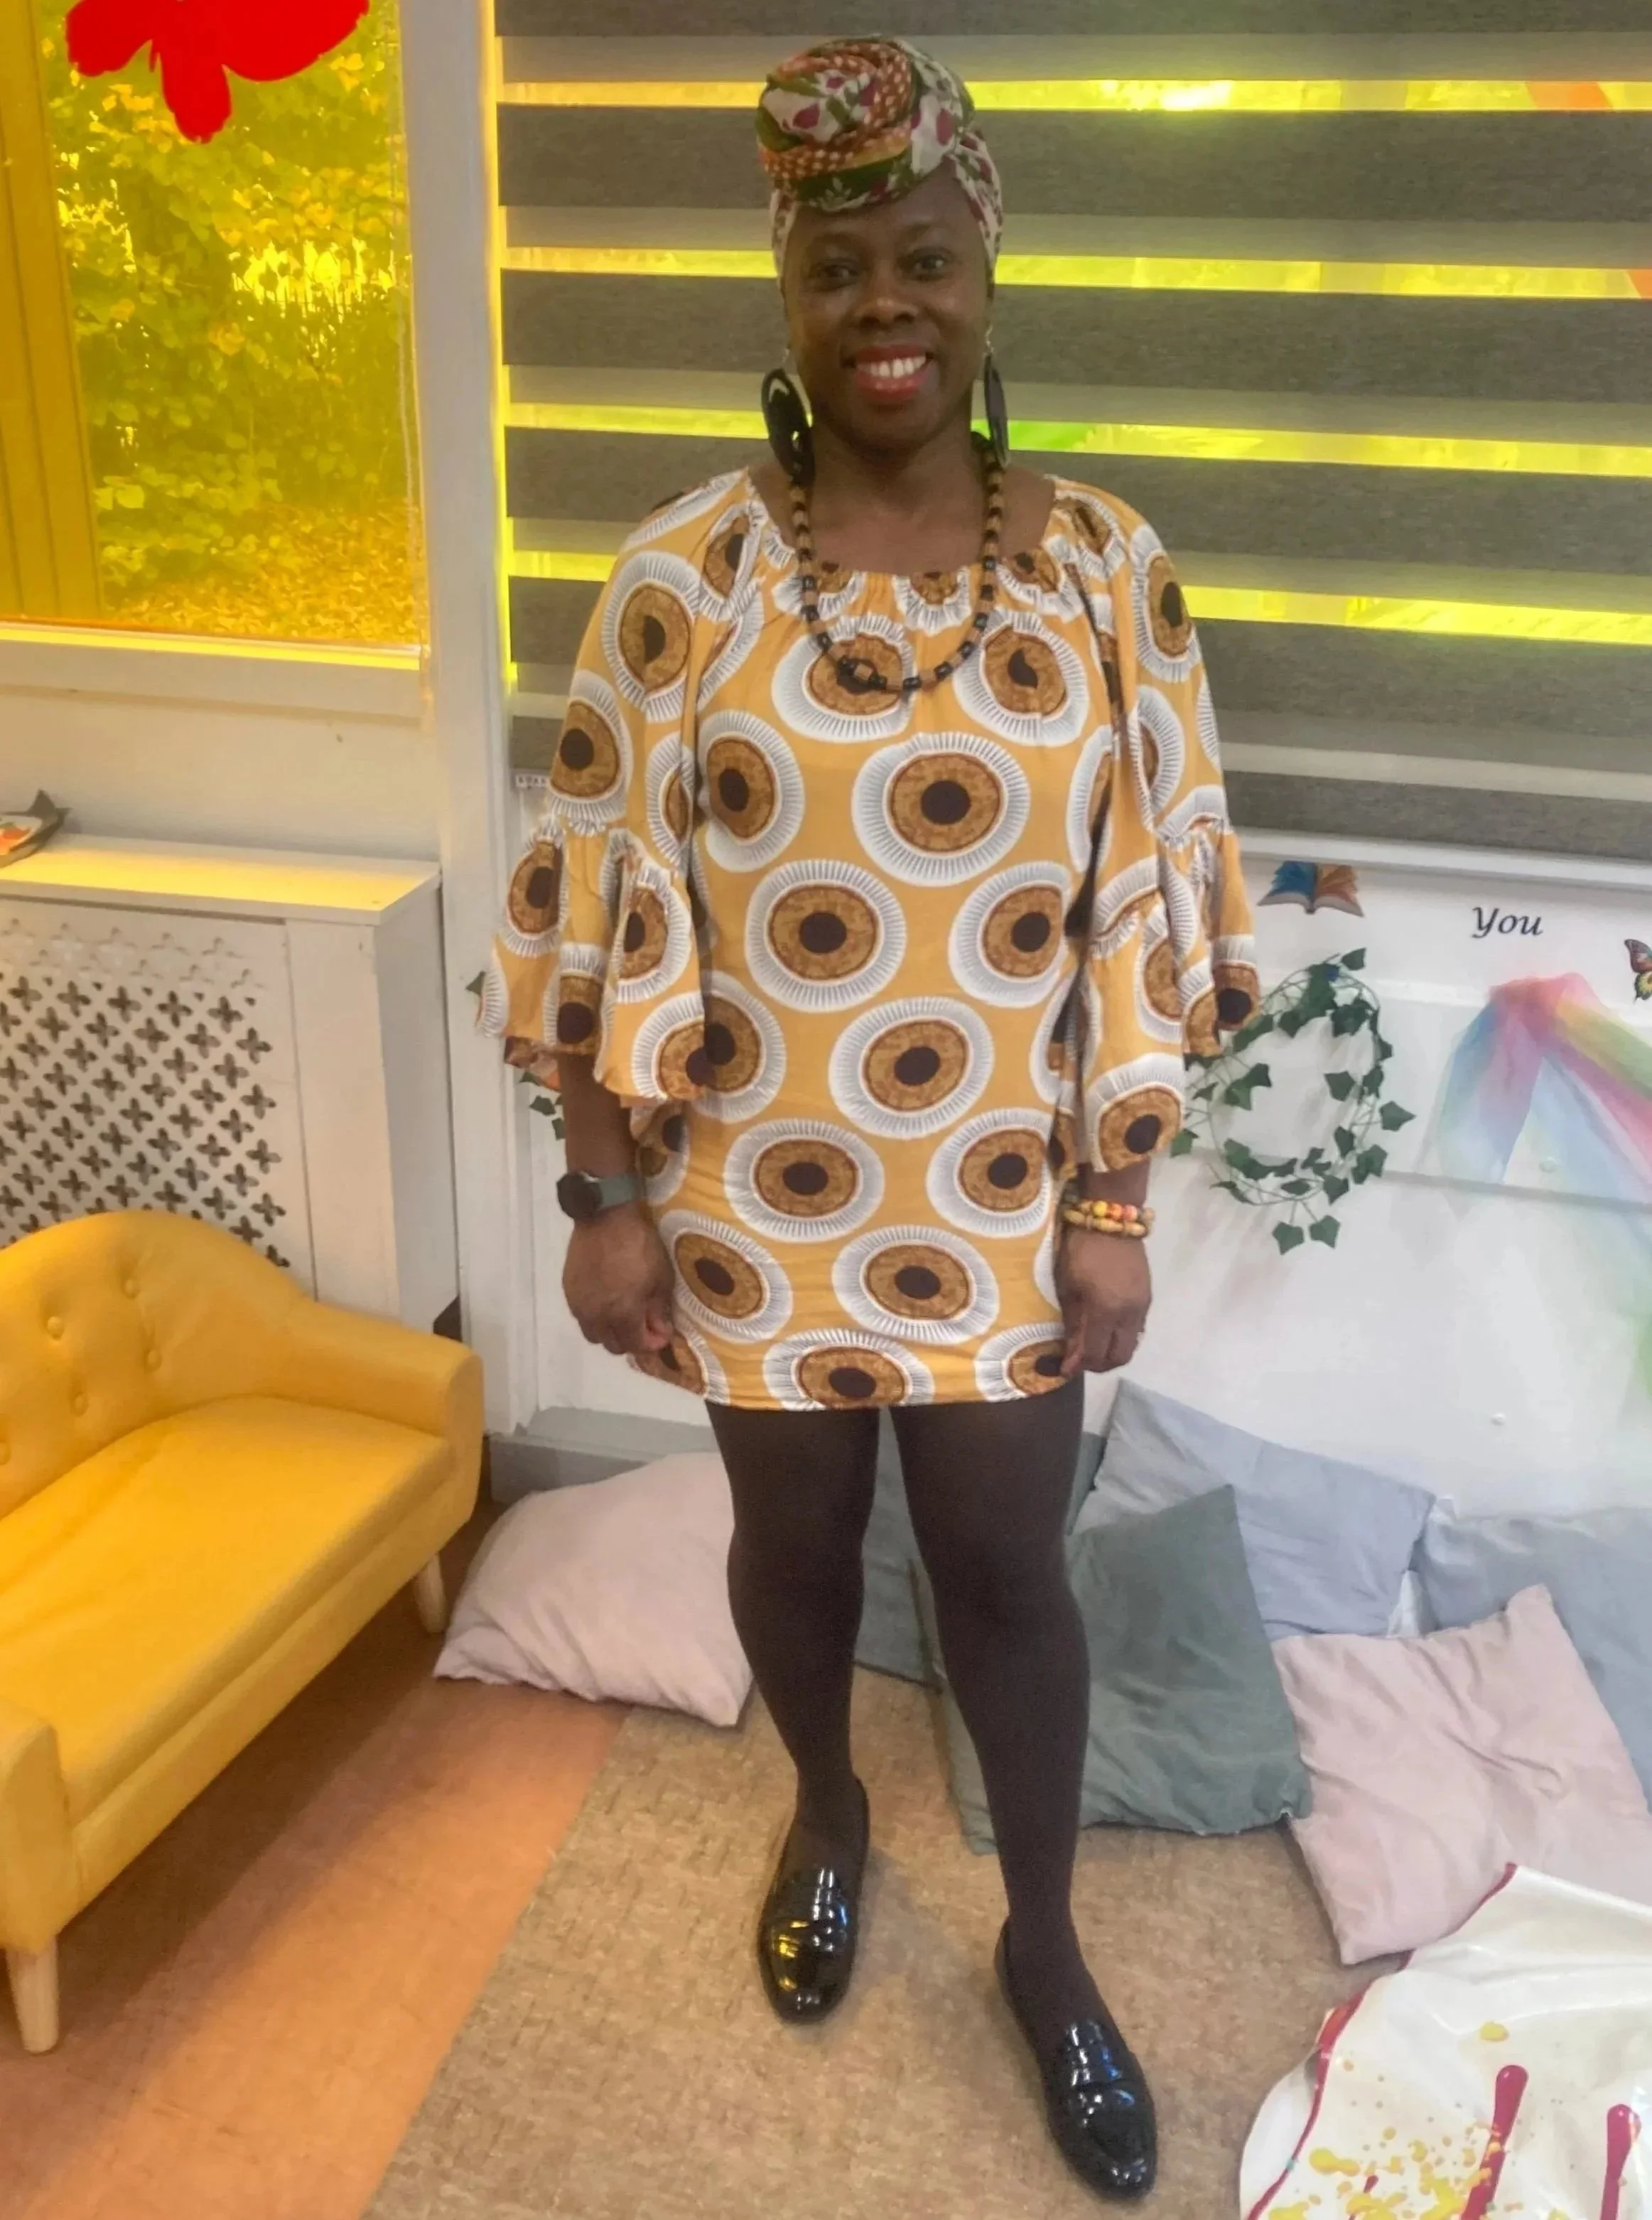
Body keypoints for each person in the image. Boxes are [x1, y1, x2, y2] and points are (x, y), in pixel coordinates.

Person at [484, 36, 1258, 2203]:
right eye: (837, 270)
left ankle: (1044, 1944)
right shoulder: (684, 576)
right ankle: (825, 1810)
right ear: (787, 296)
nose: (883, 305)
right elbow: (584, 903)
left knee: (1010, 1572)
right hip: (751, 1192)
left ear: (985, 277)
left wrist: (1113, 1197)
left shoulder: (1102, 567)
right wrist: (603, 1191)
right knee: (796, 1549)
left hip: (1002, 1201)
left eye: (923, 258)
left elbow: (1148, 903)